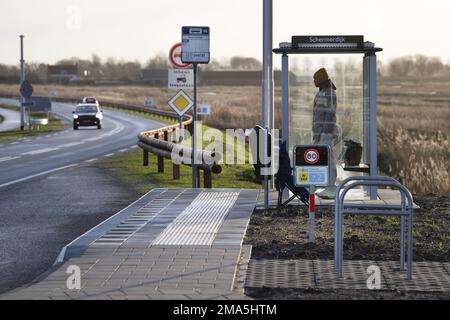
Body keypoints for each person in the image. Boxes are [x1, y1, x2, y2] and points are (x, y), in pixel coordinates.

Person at [312, 68, 338, 199]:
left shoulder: (328, 93)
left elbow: (329, 114)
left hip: (325, 133)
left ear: (321, 80)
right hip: (321, 133)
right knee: (324, 160)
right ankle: (326, 185)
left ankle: (331, 187)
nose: (314, 82)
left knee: (329, 160)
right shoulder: (323, 92)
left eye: (316, 79)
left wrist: (323, 133)